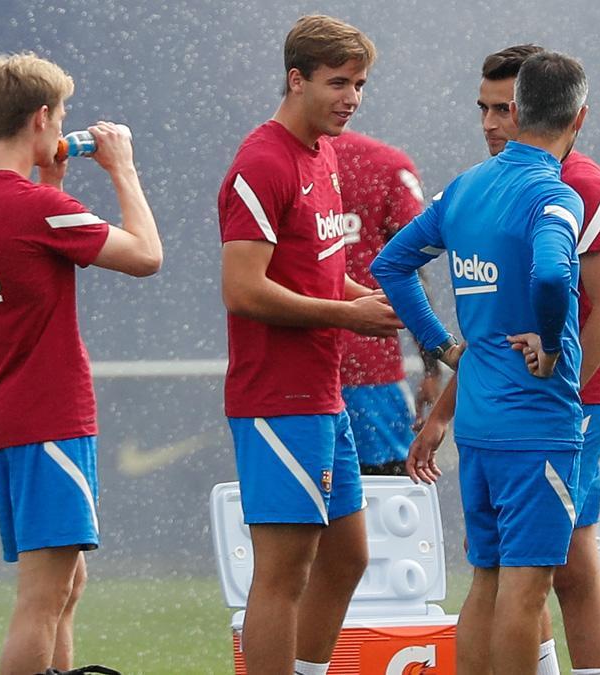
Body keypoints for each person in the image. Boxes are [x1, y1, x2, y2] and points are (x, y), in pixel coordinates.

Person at [0, 52, 162, 674]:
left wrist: (54, 187)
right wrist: (124, 170)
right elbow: (146, 255)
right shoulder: (35, 209)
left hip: (4, 414)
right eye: (60, 115)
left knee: (67, 583)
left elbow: (25, 257)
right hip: (50, 415)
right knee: (40, 598)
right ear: (42, 117)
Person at [372, 51, 588, 675]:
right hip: (535, 425)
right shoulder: (554, 194)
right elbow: (551, 271)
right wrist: (549, 343)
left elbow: (391, 265)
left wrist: (441, 344)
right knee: (526, 593)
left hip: (481, 428)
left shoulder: (466, 187)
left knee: (486, 585)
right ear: (581, 117)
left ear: (517, 111)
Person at [413, 44, 600, 675]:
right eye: (483, 108)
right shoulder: (491, 187)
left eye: (503, 109)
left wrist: (555, 386)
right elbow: (491, 333)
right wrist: (448, 407)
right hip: (504, 407)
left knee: (562, 572)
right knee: (516, 571)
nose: (490, 124)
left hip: (568, 403)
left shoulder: (578, 184)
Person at [216, 15, 402, 675]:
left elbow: (318, 271)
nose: (351, 97)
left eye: (360, 84)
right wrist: (348, 316)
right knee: (283, 572)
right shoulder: (261, 161)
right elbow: (242, 289)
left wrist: (366, 297)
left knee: (347, 556)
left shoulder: (321, 153)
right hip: (277, 396)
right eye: (338, 83)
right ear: (296, 80)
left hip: (324, 394)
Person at [330, 130, 442, 476]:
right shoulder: (386, 165)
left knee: (307, 510)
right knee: (385, 506)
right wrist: (433, 366)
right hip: (369, 371)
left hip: (297, 379)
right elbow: (410, 271)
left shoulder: (267, 163)